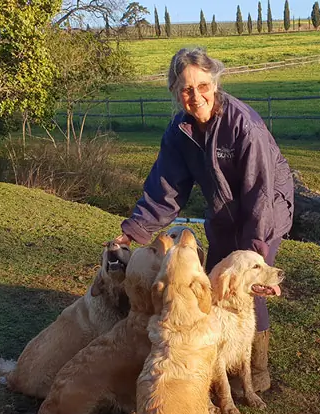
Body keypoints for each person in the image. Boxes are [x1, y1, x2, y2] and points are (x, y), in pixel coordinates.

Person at [112, 47, 294, 395]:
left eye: (203, 86)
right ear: (175, 91)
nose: (196, 97)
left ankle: (256, 370)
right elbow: (164, 188)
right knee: (214, 285)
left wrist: (253, 255)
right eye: (186, 89)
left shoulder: (245, 127)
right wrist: (131, 233)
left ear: (215, 82)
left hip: (267, 206)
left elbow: (259, 193)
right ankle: (216, 361)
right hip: (223, 210)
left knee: (244, 286)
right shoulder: (179, 132)